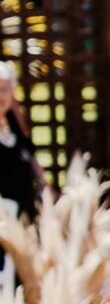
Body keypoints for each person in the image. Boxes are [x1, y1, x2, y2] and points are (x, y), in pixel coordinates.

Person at [0, 61, 43, 223]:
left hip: (26, 218)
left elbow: (29, 155)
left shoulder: (14, 124)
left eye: (4, 89)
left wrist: (45, 187)